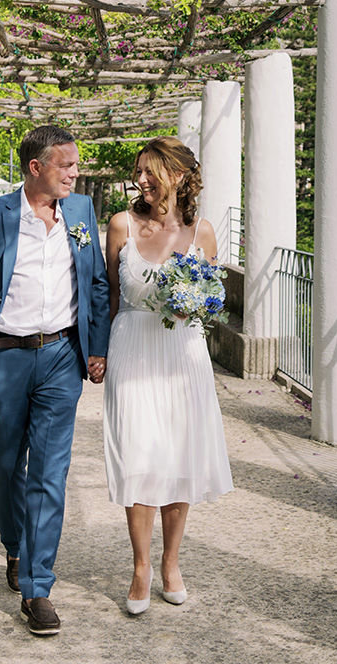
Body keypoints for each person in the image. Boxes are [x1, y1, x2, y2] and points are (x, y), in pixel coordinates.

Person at [0, 125, 110, 636]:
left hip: (62, 356)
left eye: (75, 165)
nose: (75, 173)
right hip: (4, 359)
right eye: (67, 166)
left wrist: (96, 347)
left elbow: (97, 283)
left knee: (50, 472)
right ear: (36, 168)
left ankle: (39, 589)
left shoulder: (80, 212)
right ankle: (15, 548)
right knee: (7, 462)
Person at [102, 137, 233, 615]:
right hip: (133, 349)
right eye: (138, 171)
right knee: (137, 454)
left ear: (177, 176)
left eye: (150, 171)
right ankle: (140, 567)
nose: (140, 180)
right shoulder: (121, 225)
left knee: (179, 457)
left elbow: (213, 300)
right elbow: (109, 297)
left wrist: (195, 304)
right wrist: (98, 354)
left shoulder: (205, 233)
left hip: (183, 355)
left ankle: (171, 563)